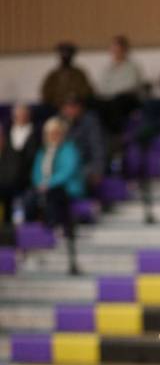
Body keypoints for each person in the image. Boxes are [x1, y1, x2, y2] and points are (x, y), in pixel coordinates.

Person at [23, 117, 83, 275]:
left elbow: (67, 171)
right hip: (44, 188)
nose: (54, 136)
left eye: (57, 133)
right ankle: (32, 234)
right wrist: (40, 184)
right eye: (51, 133)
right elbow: (36, 173)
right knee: (28, 198)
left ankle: (53, 228)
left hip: (65, 188)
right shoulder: (43, 151)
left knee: (54, 196)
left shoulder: (69, 149)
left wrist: (48, 184)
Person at [96, 35, 144, 139]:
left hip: (127, 100)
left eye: (118, 49)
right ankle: (101, 136)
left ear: (124, 50)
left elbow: (131, 86)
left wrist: (111, 93)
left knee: (116, 103)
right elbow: (101, 87)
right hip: (108, 99)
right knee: (94, 103)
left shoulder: (132, 67)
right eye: (114, 49)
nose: (116, 51)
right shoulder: (108, 68)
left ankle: (116, 136)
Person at [60, 95, 107, 194]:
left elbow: (97, 147)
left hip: (84, 166)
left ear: (80, 108)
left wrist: (97, 169)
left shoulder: (91, 122)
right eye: (67, 107)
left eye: (73, 107)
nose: (70, 110)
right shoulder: (59, 122)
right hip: (64, 168)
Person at [40, 42, 94, 112]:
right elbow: (45, 94)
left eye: (68, 53)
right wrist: (60, 103)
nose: (65, 56)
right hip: (56, 108)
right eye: (63, 53)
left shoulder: (79, 74)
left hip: (77, 109)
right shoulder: (53, 75)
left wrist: (75, 101)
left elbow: (88, 92)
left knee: (91, 118)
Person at [0, 124, 24, 227]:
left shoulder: (13, 154)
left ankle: (6, 228)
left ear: (3, 138)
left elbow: (12, 177)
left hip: (9, 188)